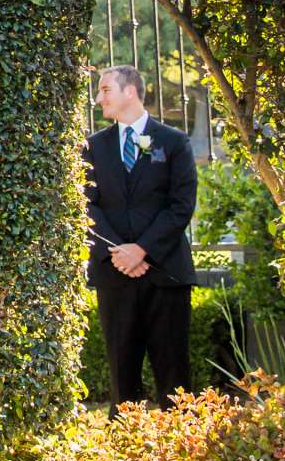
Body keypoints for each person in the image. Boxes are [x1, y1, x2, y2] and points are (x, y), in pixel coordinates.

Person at [83, 64, 199, 410]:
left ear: (129, 91)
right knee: (122, 371)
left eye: (104, 90)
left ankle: (182, 443)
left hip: (165, 273)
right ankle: (125, 443)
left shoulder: (174, 142)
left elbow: (181, 205)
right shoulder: (92, 147)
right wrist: (120, 252)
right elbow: (86, 206)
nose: (97, 97)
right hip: (114, 273)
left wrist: (143, 249)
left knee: (174, 371)